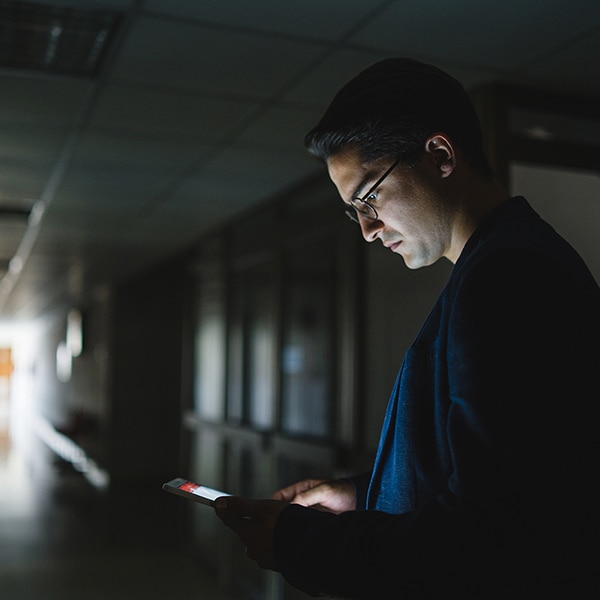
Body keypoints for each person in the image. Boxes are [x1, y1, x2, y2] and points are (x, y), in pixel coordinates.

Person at [215, 57, 600, 598]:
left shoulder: (510, 278)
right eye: (355, 211)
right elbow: (491, 477)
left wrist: (303, 543)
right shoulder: (495, 269)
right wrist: (363, 495)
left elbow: (496, 536)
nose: (368, 231)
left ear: (440, 155)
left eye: (369, 197)